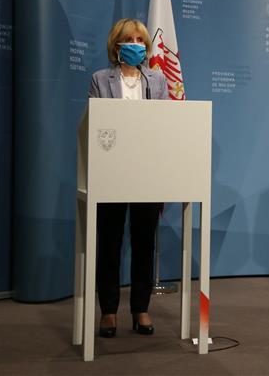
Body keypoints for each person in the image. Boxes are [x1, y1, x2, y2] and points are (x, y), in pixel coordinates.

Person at [88, 18, 169, 337]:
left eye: (140, 39)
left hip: (147, 172)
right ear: (116, 44)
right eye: (129, 39)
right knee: (109, 243)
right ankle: (108, 310)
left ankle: (141, 308)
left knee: (144, 242)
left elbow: (164, 122)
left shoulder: (158, 80)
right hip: (112, 172)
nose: (136, 43)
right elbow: (98, 125)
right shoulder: (100, 79)